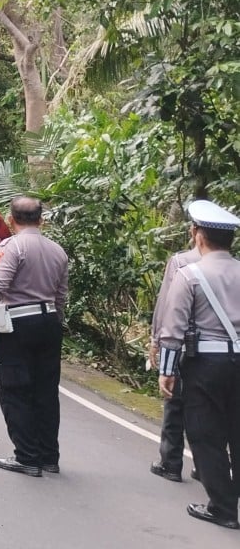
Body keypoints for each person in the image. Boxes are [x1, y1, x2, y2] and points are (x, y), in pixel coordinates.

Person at [0, 196, 68, 477]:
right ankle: (49, 457)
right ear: (41, 220)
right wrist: (54, 321)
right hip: (49, 322)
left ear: (11, 221)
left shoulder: (11, 247)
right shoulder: (58, 251)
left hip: (18, 325)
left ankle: (26, 457)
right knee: (46, 392)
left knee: (15, 390)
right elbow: (60, 295)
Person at [158, 200, 240, 530]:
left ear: (198, 235)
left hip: (207, 364)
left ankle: (222, 507)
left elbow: (173, 328)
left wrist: (167, 370)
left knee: (206, 434)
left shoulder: (189, 274)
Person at [148, 240, 201, 483]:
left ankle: (170, 463)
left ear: (196, 232)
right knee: (208, 410)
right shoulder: (233, 269)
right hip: (221, 353)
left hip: (183, 344)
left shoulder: (181, 262)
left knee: (174, 402)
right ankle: (205, 466)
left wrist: (155, 339)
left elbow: (167, 306)